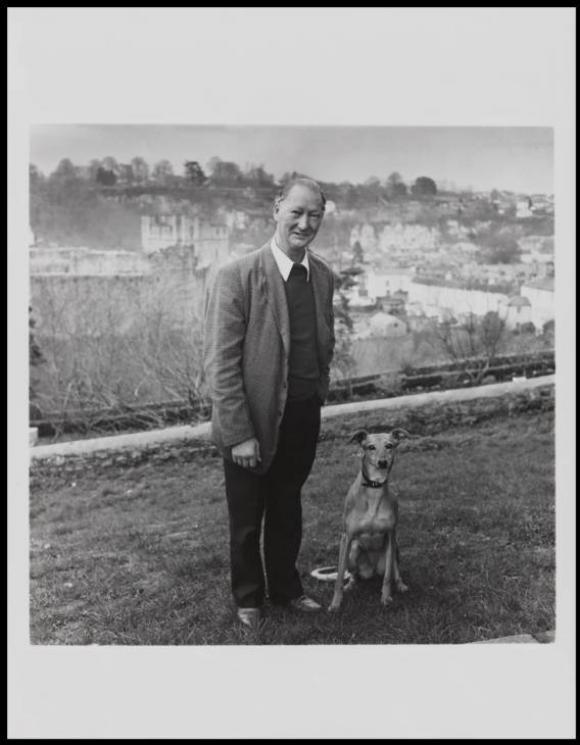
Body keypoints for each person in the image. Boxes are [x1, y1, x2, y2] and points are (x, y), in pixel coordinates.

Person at [203, 176, 335, 628]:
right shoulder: (236, 276)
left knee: (287, 507)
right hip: (251, 420)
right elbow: (220, 365)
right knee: (246, 519)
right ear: (277, 208)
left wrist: (317, 391)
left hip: (301, 415)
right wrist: (239, 433)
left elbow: (323, 341)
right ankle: (248, 598)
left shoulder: (321, 275)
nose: (304, 222)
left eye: (314, 214)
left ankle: (286, 588)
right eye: (296, 212)